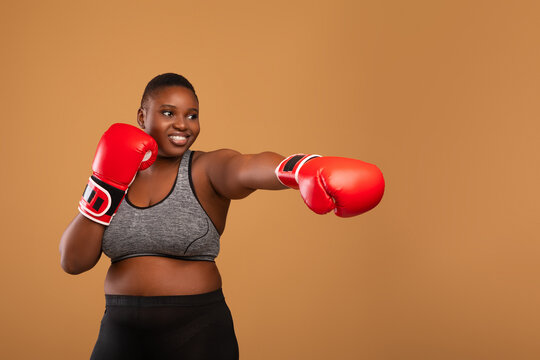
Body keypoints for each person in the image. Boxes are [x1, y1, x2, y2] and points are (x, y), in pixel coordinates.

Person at [59, 73, 385, 360]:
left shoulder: (205, 169)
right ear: (142, 116)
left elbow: (247, 167)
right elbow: (73, 262)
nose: (183, 125)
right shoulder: (115, 174)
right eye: (168, 112)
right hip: (121, 328)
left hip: (195, 331)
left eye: (192, 115)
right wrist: (104, 185)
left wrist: (300, 169)